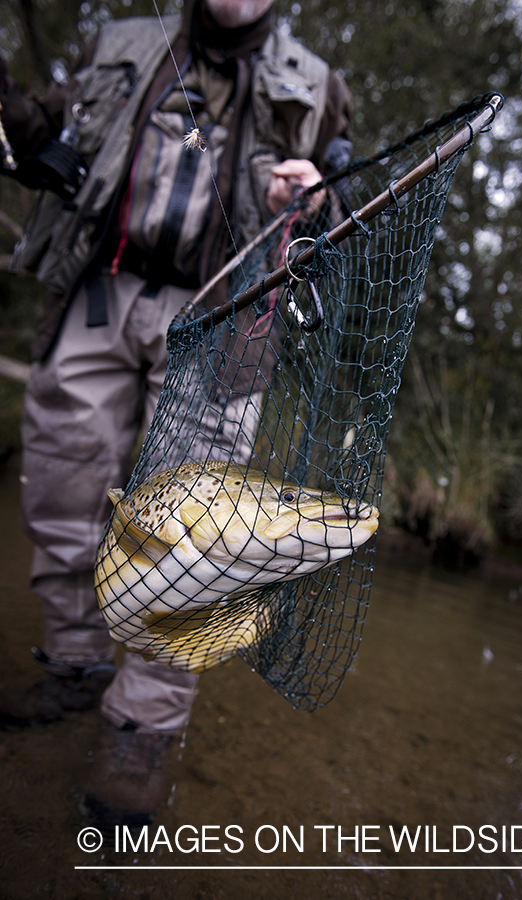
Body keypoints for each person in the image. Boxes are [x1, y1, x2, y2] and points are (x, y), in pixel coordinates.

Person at [0, 0, 351, 828]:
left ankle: (143, 727)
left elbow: (338, 199)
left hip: (221, 323)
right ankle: (77, 663)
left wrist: (312, 198)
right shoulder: (115, 44)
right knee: (58, 487)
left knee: (190, 536)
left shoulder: (320, 86)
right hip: (94, 296)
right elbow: (31, 127)